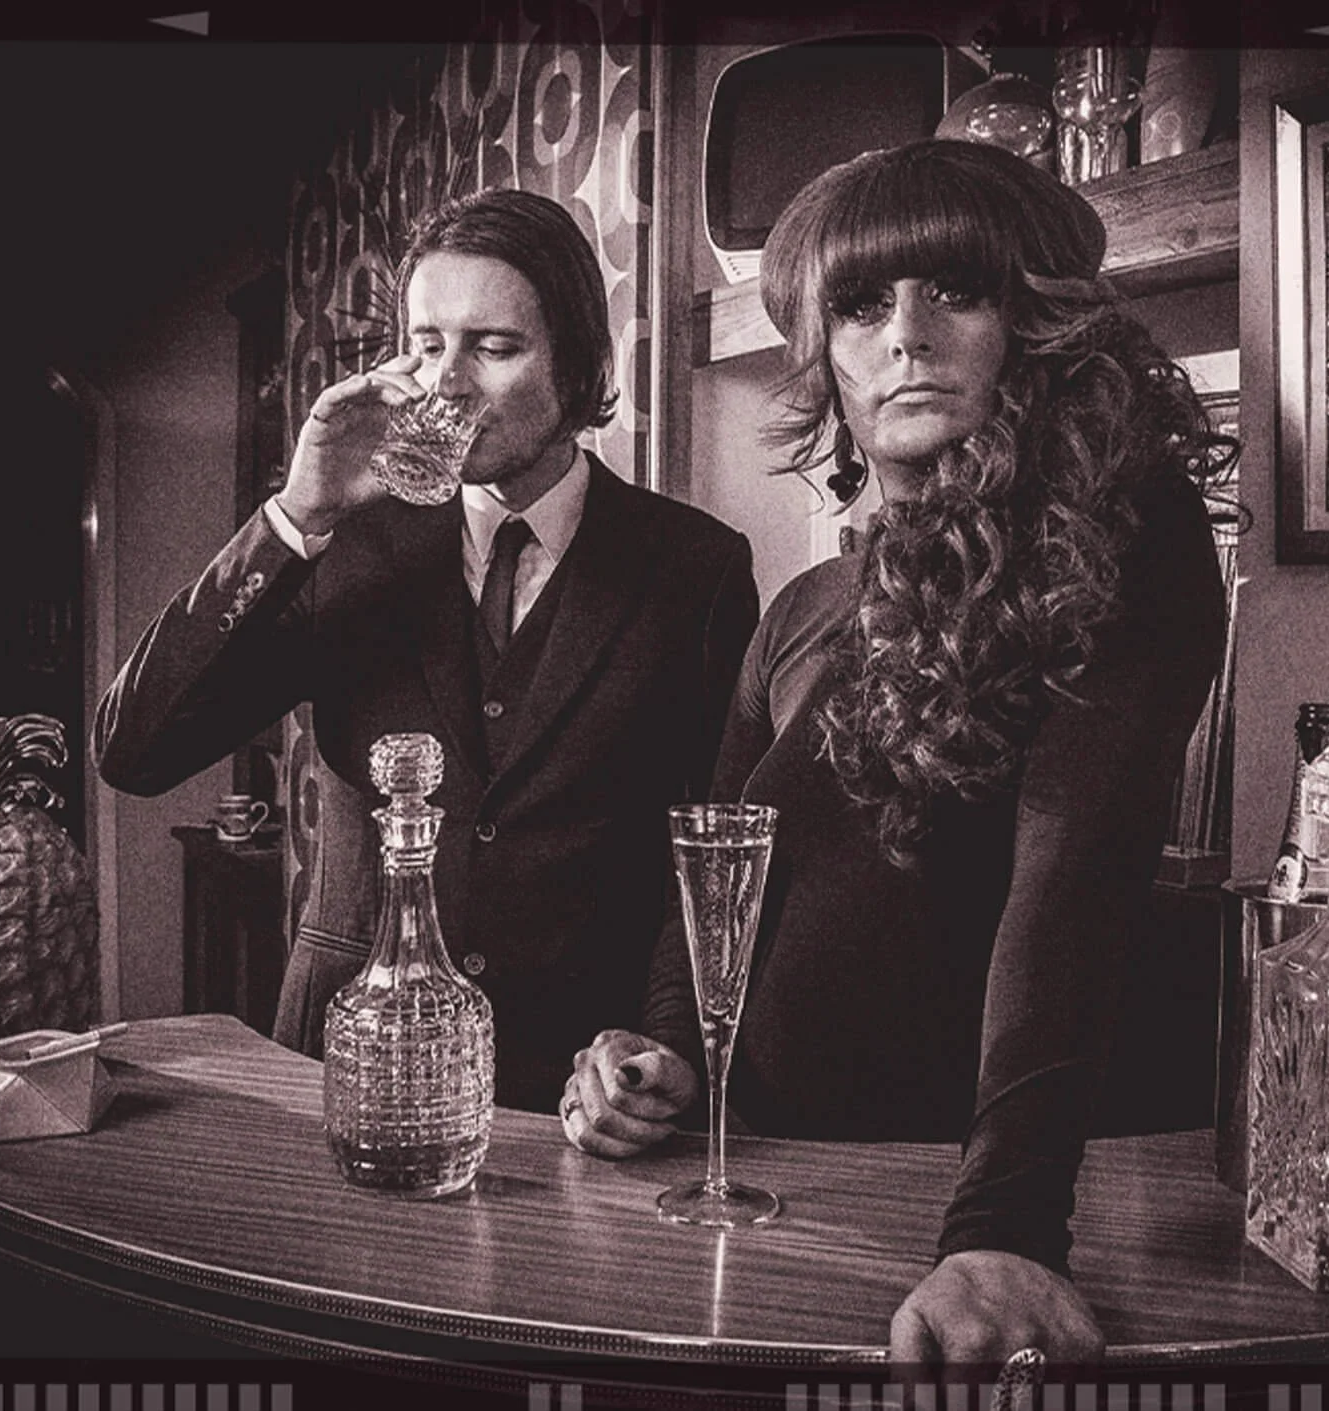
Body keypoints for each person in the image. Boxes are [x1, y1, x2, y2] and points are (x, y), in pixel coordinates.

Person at [559, 140, 1231, 1375]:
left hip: (933, 1201)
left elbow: (1068, 891)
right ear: (827, 357)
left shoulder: (1117, 544)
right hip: (759, 1178)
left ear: (1026, 323)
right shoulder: (806, 603)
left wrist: (1005, 1230)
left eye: (953, 293)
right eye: (864, 305)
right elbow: (714, 871)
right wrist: (661, 1055)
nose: (906, 335)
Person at [94, 188, 759, 1111]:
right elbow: (134, 748)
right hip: (346, 1065)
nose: (447, 382)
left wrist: (665, 1050)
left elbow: (708, 849)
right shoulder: (345, 545)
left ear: (578, 364)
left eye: (493, 347)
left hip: (574, 1090)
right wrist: (295, 516)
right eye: (427, 343)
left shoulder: (697, 568)